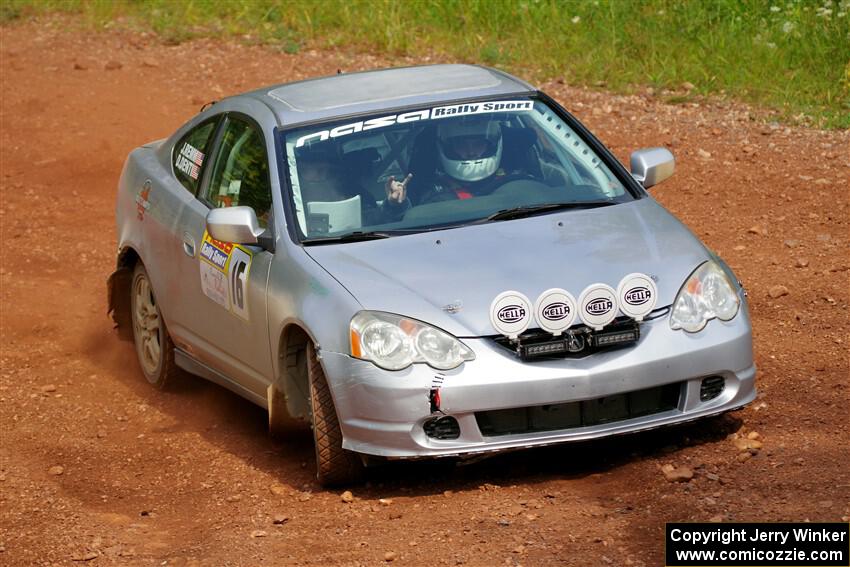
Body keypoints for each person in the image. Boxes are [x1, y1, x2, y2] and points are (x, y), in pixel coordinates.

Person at [296, 146, 411, 229]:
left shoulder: (355, 196)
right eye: (317, 171)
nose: (323, 176)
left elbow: (379, 222)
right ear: (299, 172)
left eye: (329, 171)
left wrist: (393, 204)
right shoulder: (288, 204)